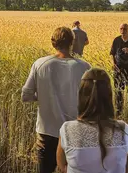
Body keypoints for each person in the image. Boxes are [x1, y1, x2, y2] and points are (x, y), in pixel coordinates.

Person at [22, 27, 91, 173]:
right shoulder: (85, 67)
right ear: (72, 43)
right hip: (75, 132)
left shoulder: (40, 64)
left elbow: (26, 96)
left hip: (47, 132)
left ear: (53, 43)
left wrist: (43, 96)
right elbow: (91, 101)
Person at [57, 68, 128, 173]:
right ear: (109, 96)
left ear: (81, 96)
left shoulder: (67, 129)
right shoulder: (123, 130)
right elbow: (127, 169)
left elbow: (62, 165)